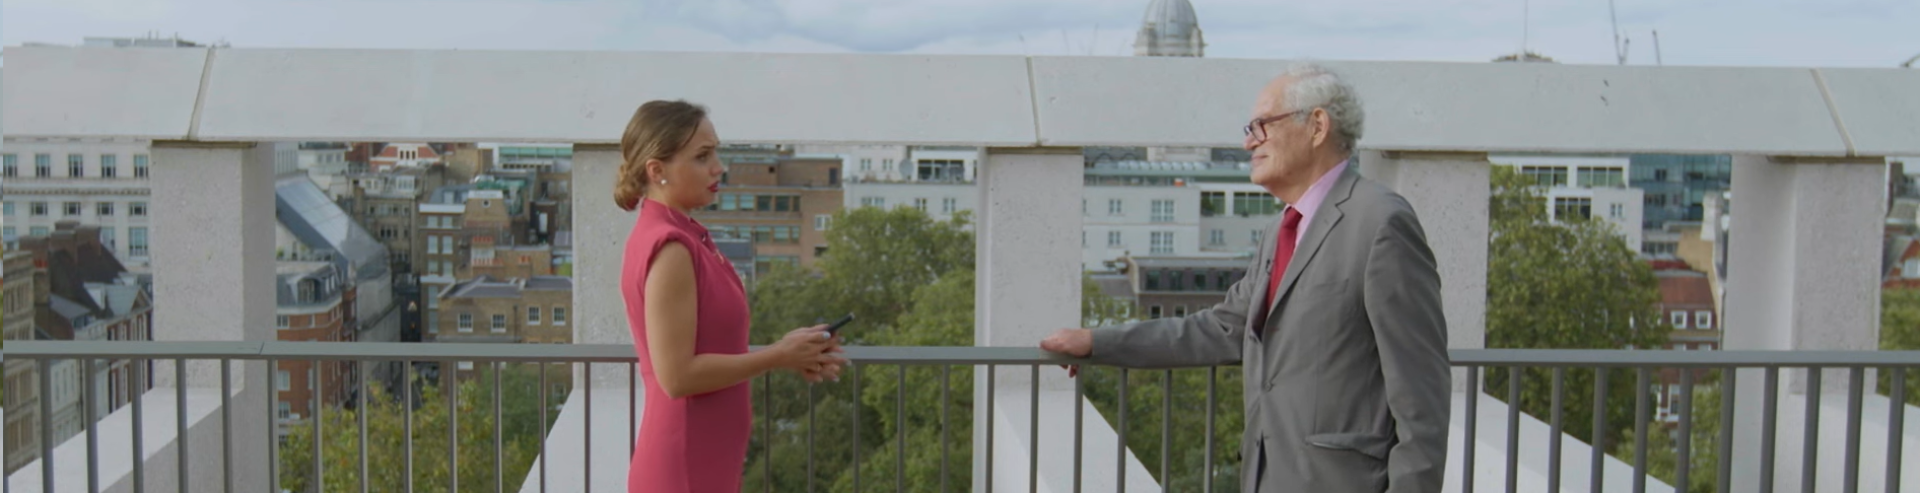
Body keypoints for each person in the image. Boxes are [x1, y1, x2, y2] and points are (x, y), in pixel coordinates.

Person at [1040, 64, 1451, 493]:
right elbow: (1222, 328)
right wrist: (1097, 343)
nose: (1248, 141)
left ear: (1317, 126)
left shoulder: (1381, 221)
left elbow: (1422, 394)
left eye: (1261, 126)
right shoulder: (1281, 230)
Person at [617, 100, 848, 493]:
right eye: (702, 156)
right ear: (657, 171)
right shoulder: (671, 248)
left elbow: (713, 346)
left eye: (716, 151)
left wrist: (793, 350)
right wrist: (778, 355)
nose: (718, 166)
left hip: (706, 458)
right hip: (685, 466)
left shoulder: (687, 237)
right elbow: (677, 376)